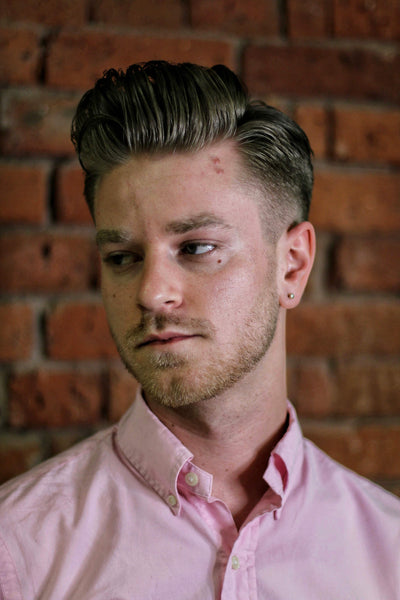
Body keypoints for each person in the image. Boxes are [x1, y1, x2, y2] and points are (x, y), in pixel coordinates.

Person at [0, 61, 398, 600]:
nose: (150, 291)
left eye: (197, 248)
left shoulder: (388, 549)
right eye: (122, 257)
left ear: (293, 266)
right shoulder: (19, 546)